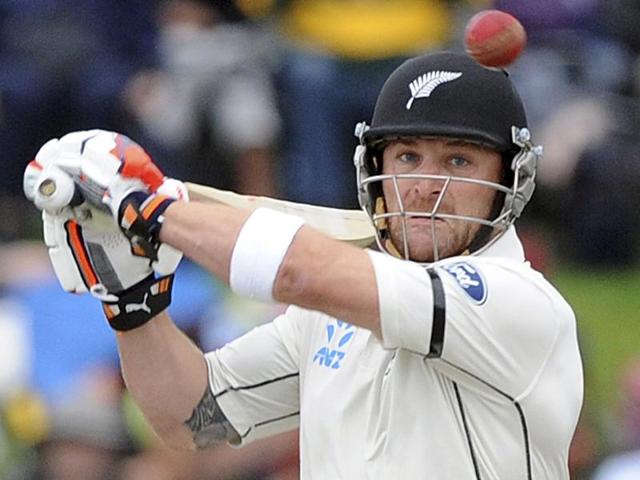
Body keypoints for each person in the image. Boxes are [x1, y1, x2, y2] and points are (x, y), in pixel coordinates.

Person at [23, 52, 583, 478]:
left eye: (458, 160)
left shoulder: (517, 303)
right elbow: (192, 416)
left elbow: (298, 272)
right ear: (375, 166)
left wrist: (148, 211)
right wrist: (131, 303)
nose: (424, 185)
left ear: (510, 180)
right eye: (408, 155)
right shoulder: (331, 312)